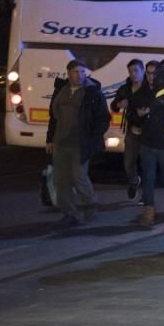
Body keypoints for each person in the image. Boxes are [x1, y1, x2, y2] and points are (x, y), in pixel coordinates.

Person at [45, 59, 110, 229]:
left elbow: (103, 118)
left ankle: (90, 203)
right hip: (61, 141)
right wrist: (50, 139)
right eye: (75, 72)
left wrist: (93, 137)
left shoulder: (92, 93)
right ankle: (69, 213)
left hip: (80, 143)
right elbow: (53, 118)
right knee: (61, 179)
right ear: (68, 73)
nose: (79, 75)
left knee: (79, 176)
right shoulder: (61, 90)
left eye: (82, 72)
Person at [135, 61, 164, 227]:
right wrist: (138, 117)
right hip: (147, 141)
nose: (151, 76)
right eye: (148, 73)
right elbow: (135, 112)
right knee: (147, 178)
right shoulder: (143, 91)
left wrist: (150, 111)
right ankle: (148, 213)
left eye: (154, 73)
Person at [111, 59, 148, 200]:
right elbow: (114, 106)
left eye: (136, 71)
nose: (133, 74)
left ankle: (146, 193)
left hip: (148, 131)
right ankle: (134, 181)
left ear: (143, 70)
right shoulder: (125, 89)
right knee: (128, 162)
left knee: (147, 163)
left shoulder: (149, 88)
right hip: (132, 130)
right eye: (130, 71)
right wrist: (119, 104)